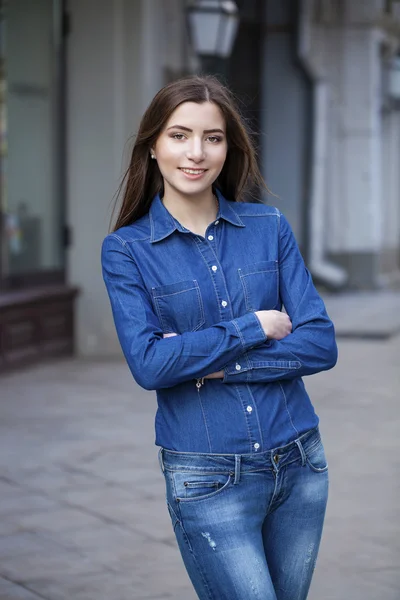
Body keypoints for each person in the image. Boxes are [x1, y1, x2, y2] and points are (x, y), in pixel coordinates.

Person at [101, 75, 337, 600]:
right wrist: (253, 326)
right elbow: (150, 365)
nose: (196, 152)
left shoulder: (268, 226)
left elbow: (320, 343)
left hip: (301, 464)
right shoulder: (126, 250)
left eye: (213, 137)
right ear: (154, 147)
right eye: (179, 135)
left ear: (229, 149)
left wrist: (218, 364)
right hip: (207, 478)